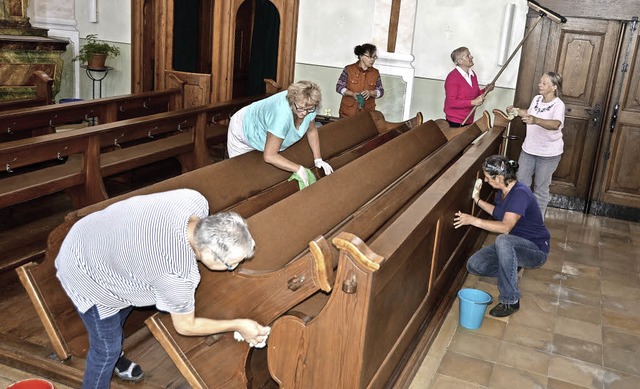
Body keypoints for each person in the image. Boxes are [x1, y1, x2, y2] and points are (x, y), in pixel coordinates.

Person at [55, 189, 270, 388]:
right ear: (206, 254)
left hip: (102, 236)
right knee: (106, 348)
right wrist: (239, 325)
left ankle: (117, 358)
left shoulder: (194, 200)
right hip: (82, 266)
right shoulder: (175, 275)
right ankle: (111, 360)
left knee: (125, 306)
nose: (234, 268)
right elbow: (186, 326)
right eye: (231, 264)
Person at [453, 155, 550, 317]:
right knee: (474, 265)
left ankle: (510, 300)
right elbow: (498, 213)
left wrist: (472, 220)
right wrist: (477, 200)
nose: (485, 180)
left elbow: (505, 227)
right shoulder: (503, 191)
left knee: (503, 240)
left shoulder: (520, 194)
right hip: (515, 245)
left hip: (535, 250)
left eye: (487, 177)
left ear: (499, 178)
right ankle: (511, 265)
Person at [227, 80, 333, 187]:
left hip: (264, 133)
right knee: (241, 177)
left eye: (309, 109)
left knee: (260, 176)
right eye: (300, 108)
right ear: (292, 101)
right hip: (243, 129)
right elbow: (269, 155)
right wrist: (298, 169)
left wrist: (318, 159)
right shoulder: (281, 116)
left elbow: (311, 131)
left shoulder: (308, 104)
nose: (304, 113)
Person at [507, 71, 565, 219]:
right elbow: (529, 113)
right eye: (540, 82)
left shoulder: (559, 105)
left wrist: (536, 121)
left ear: (554, 87)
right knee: (521, 184)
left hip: (548, 154)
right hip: (529, 149)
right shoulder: (537, 99)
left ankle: (535, 223)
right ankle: (520, 218)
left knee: (541, 189)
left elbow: (555, 124)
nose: (540, 85)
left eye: (544, 83)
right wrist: (515, 110)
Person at [444, 47, 494, 127]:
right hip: (455, 121)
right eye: (468, 56)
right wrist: (473, 102)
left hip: (468, 119)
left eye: (470, 55)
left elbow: (476, 95)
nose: (471, 57)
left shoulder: (472, 75)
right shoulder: (453, 77)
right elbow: (451, 102)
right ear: (460, 61)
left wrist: (486, 90)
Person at [336, 43, 384, 118]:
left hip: (367, 115)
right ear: (361, 56)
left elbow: (381, 91)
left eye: (374, 57)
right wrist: (352, 94)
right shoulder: (349, 69)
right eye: (369, 57)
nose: (372, 60)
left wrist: (371, 93)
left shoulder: (375, 73)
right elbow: (339, 87)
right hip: (347, 113)